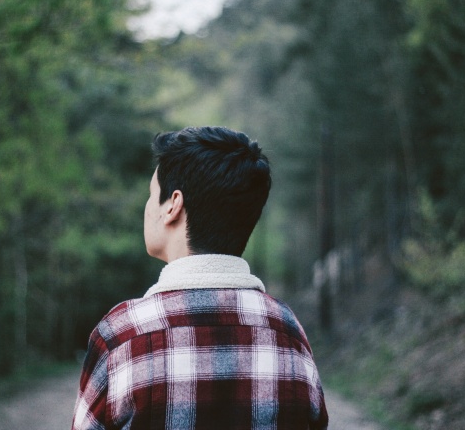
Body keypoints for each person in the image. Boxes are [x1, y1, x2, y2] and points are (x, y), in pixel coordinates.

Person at [71, 126, 328, 430]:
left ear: (173, 205)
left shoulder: (122, 335)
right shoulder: (288, 332)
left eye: (152, 195)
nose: (148, 207)